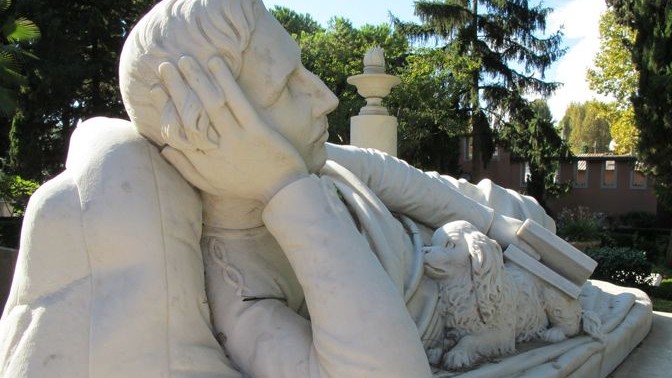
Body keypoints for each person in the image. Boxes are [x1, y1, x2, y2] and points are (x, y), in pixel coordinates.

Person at [118, 0, 557, 377]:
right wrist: (283, 186)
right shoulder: (240, 285)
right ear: (214, 134)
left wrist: (494, 223)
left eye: (302, 68)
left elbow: (393, 176)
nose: (325, 96)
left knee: (538, 224)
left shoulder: (315, 155)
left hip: (465, 226)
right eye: (286, 86)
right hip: (467, 291)